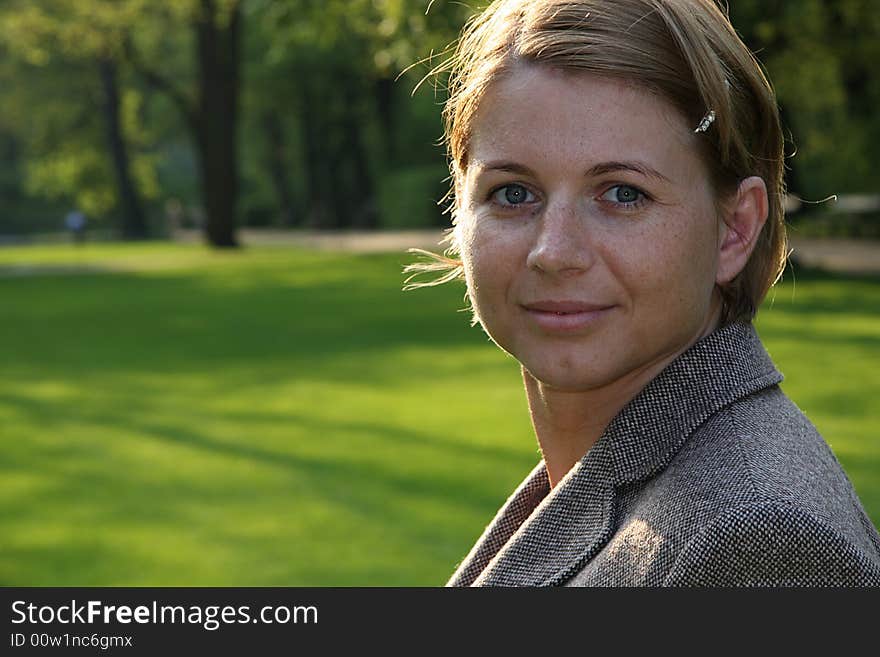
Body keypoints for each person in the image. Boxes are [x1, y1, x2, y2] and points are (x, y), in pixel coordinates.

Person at [406, 0, 880, 586]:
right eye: (512, 193)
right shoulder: (620, 479)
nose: (554, 252)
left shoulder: (752, 539)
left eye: (623, 194)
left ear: (734, 229)